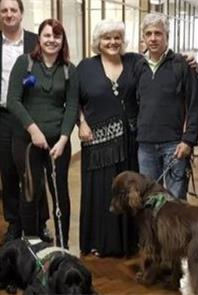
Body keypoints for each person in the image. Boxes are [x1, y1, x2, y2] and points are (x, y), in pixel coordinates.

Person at [0, 0, 52, 244]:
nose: (9, 14)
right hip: (2, 117)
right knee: (8, 174)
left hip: (30, 119)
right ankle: (14, 224)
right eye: (4, 10)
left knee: (33, 173)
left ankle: (40, 222)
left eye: (13, 10)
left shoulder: (35, 41)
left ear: (21, 13)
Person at [6, 19, 78, 248]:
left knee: (60, 193)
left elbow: (72, 106)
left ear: (62, 41)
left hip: (58, 144)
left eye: (57, 36)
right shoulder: (24, 63)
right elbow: (13, 101)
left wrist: (64, 139)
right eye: (47, 35)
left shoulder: (69, 70)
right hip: (27, 142)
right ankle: (32, 245)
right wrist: (34, 130)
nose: (52, 40)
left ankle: (63, 245)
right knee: (30, 193)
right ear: (39, 38)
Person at [77, 20, 140, 257]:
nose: (112, 42)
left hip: (129, 141)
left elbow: (158, 65)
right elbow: (73, 100)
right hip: (96, 143)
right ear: (98, 42)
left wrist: (188, 61)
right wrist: (81, 122)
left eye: (117, 37)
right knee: (100, 191)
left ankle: (128, 242)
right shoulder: (84, 67)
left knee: (126, 190)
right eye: (107, 38)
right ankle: (97, 242)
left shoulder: (134, 61)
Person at [135, 13, 198, 200]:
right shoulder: (138, 66)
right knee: (149, 200)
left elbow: (195, 105)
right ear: (143, 37)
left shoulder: (182, 65)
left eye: (158, 33)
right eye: (148, 34)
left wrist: (188, 141)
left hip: (175, 146)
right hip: (145, 147)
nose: (153, 38)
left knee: (175, 202)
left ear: (167, 36)